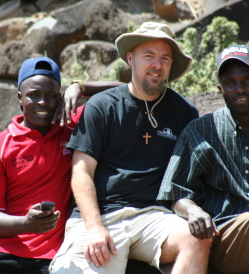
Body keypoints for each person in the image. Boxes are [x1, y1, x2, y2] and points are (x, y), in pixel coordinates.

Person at [50, 21, 212, 274]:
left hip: (153, 216)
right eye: (149, 56)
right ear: (130, 58)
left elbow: (184, 180)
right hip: (102, 215)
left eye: (165, 58)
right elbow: (81, 171)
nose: (157, 65)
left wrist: (193, 210)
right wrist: (93, 227)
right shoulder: (102, 106)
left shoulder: (184, 112)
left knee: (197, 237)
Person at [0, 56, 121, 273]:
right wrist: (25, 224)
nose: (43, 103)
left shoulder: (74, 125)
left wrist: (80, 87)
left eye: (50, 96)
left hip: (52, 257)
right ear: (20, 98)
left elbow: (125, 92)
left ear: (60, 98)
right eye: (33, 95)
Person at [157, 45, 249, 274]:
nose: (239, 89)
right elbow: (175, 193)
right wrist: (193, 211)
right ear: (220, 88)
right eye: (230, 83)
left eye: (247, 81)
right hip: (225, 241)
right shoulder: (200, 132)